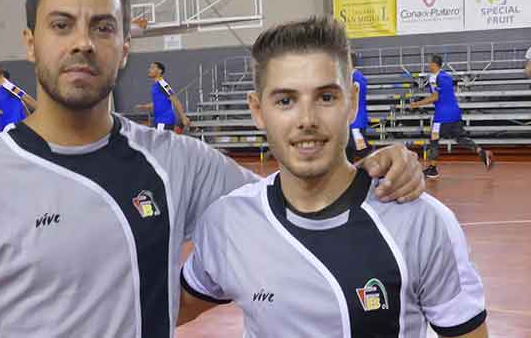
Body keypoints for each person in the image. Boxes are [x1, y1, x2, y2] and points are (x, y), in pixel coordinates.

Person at [0, 0, 425, 338]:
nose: (83, 41)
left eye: (102, 27)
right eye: (62, 25)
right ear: (31, 40)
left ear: (125, 46)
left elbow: (297, 197)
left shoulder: (178, 164)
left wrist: (382, 165)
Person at [179, 17, 488, 337]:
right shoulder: (227, 223)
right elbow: (168, 307)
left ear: (352, 102)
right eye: (285, 101)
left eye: (326, 97)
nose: (307, 120)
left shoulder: (422, 221)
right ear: (258, 110)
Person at [408, 55, 493, 178]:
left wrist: (416, 104)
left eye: (429, 63)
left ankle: (433, 169)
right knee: (460, 138)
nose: (428, 65)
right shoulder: (447, 76)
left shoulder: (433, 78)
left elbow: (435, 97)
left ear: (434, 64)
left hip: (442, 116)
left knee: (434, 140)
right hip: (455, 113)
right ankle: (481, 152)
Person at [136, 61, 191, 131]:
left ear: (159, 71)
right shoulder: (155, 85)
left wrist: (183, 117)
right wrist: (144, 106)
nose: (149, 70)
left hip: (164, 120)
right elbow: (158, 102)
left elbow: (174, 99)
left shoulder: (163, 84)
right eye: (150, 68)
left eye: (152, 68)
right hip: (159, 121)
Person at [0, 63, 37, 131]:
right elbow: (5, 113)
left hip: (17, 130)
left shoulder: (8, 86)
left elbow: (25, 97)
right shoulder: (1, 91)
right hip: (8, 132)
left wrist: (44, 113)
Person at [345, 52, 371, 162]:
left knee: (362, 150)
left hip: (355, 122)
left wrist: (351, 119)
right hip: (353, 121)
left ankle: (378, 173)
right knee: (347, 150)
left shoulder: (355, 78)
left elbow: (354, 99)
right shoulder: (355, 76)